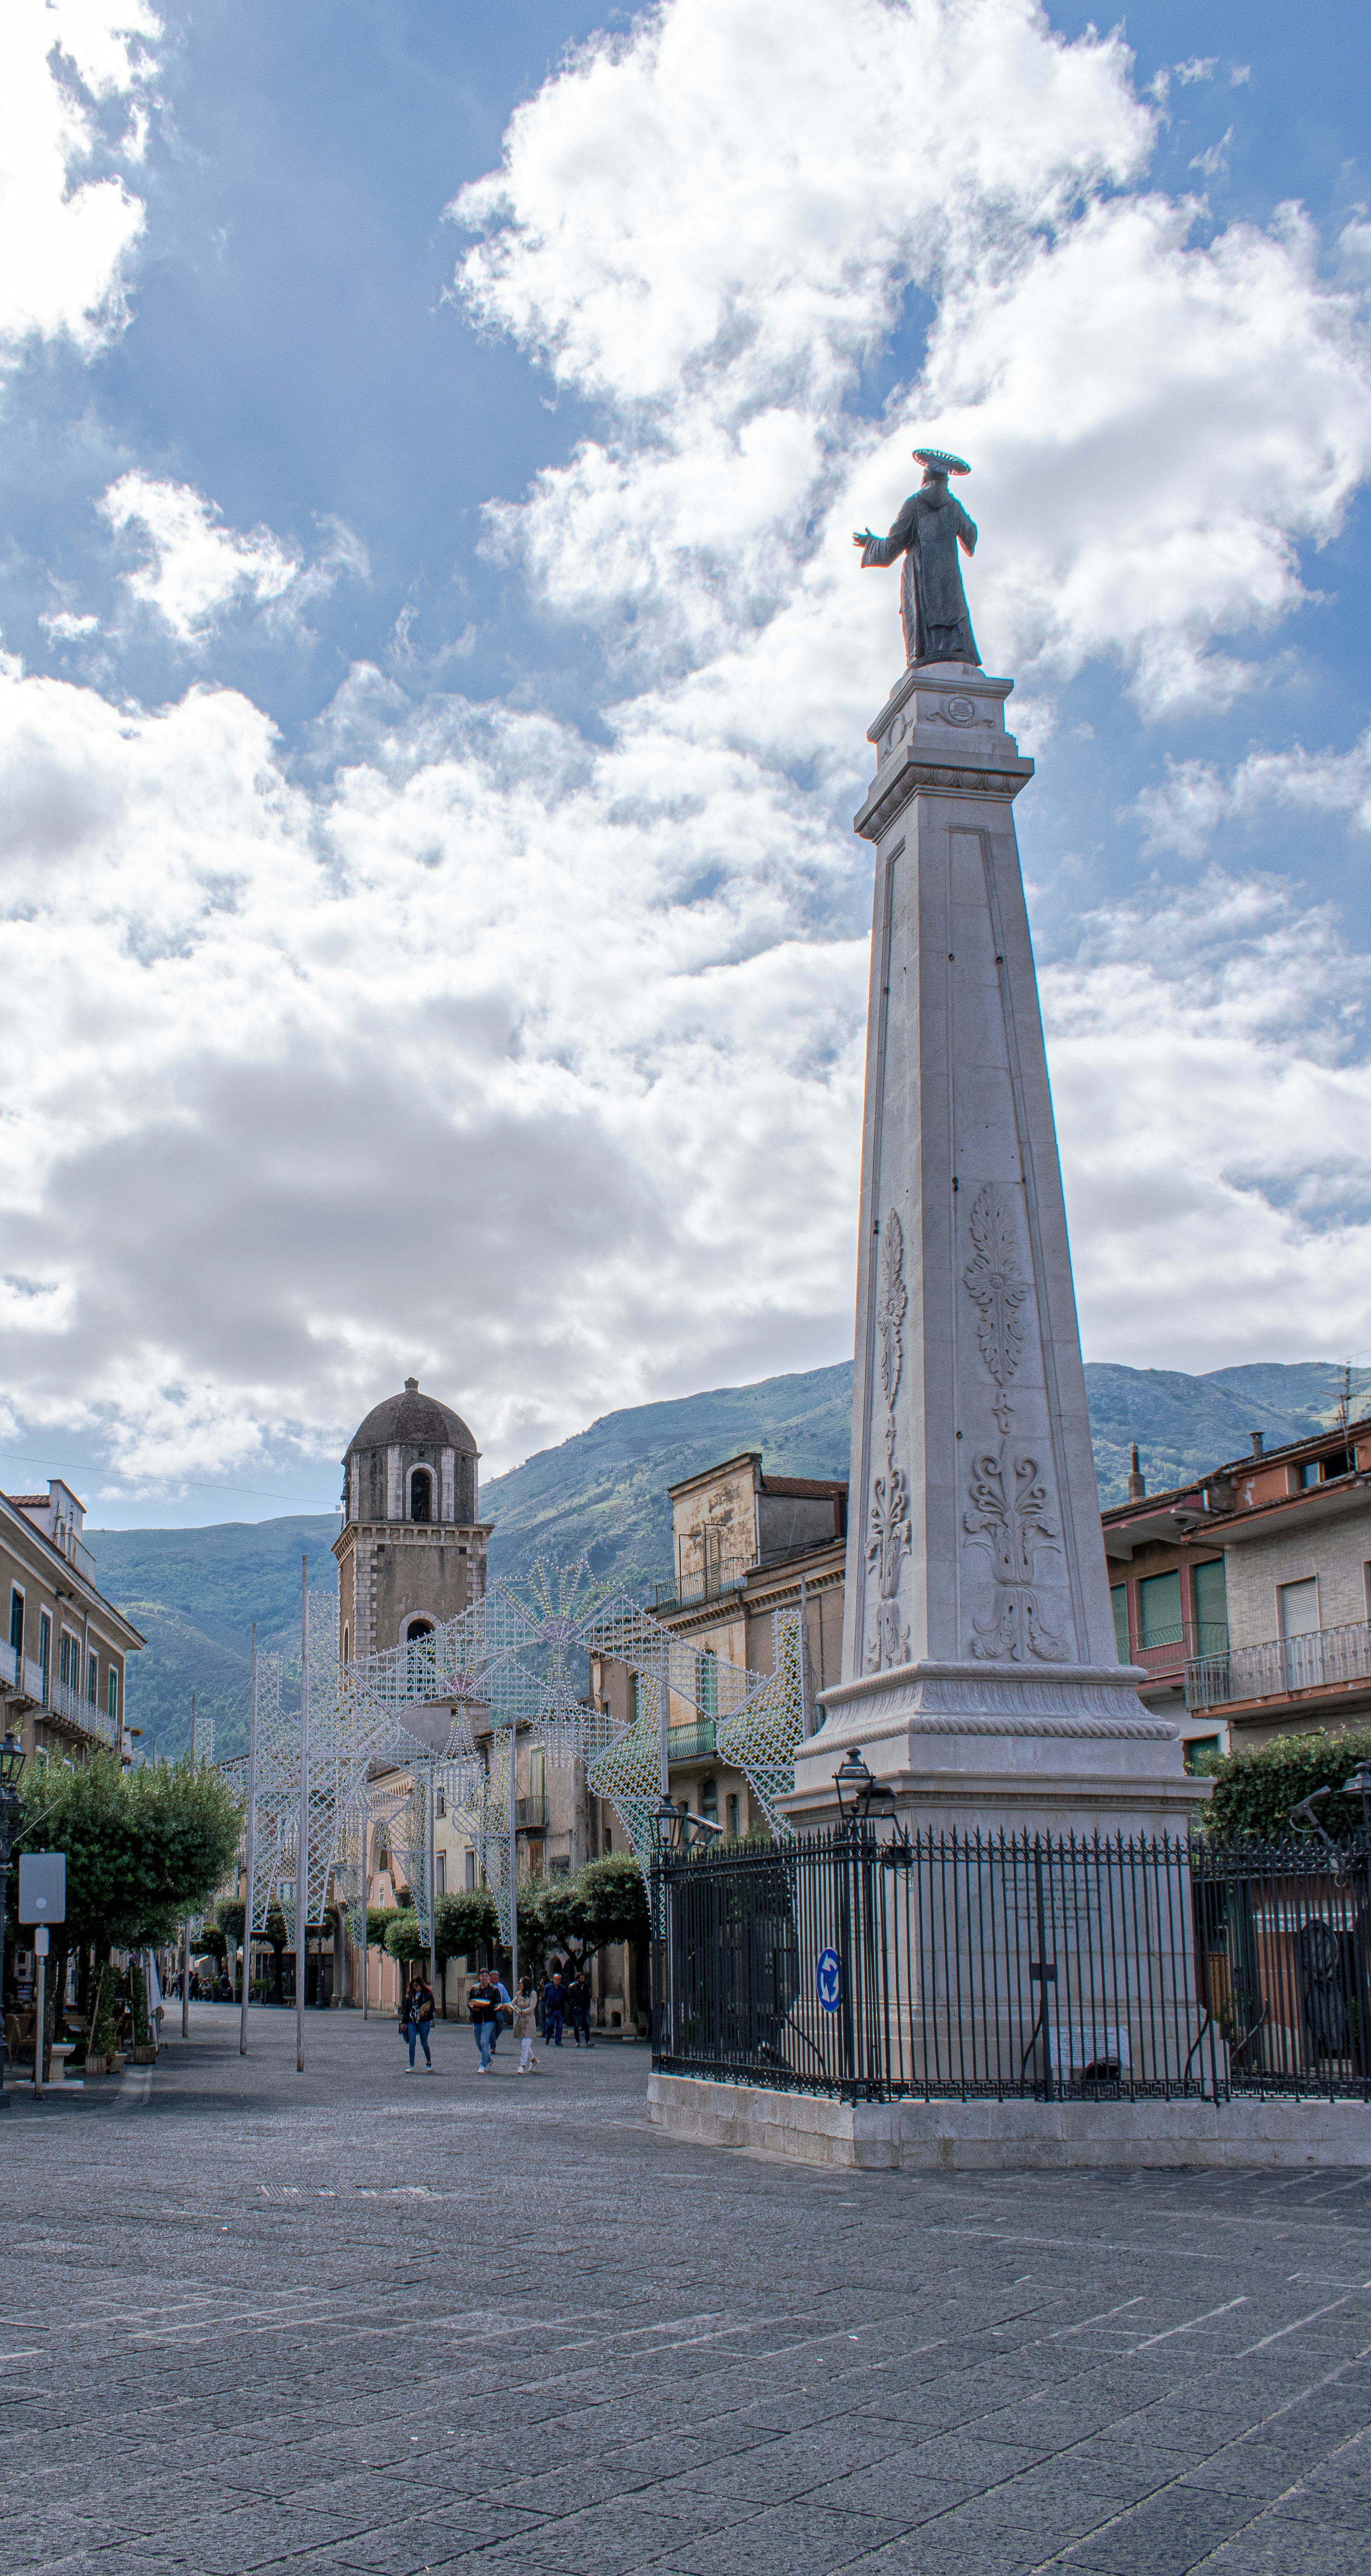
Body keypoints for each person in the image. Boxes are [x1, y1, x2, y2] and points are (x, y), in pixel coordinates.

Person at [467, 1968, 508, 2073]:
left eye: (486, 1976)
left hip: (489, 2019)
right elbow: (470, 2002)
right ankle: (489, 2059)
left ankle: (483, 2064)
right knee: (478, 2043)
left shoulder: (494, 1990)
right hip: (477, 2019)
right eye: (483, 1976)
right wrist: (472, 2007)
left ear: (489, 1978)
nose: (484, 1978)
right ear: (480, 1977)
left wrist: (488, 2007)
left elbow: (498, 2005)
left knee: (484, 2041)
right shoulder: (474, 1988)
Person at [400, 1970, 436, 2070]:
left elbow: (433, 2008)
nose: (415, 1988)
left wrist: (425, 2013)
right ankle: (411, 2065)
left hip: (424, 2021)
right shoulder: (410, 1995)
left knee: (424, 2043)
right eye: (414, 1986)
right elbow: (406, 2009)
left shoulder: (427, 1994)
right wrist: (404, 2022)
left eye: (417, 1986)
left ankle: (429, 2061)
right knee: (412, 2042)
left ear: (421, 1985)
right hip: (412, 2021)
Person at [512, 1974, 539, 2074]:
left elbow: (532, 2007)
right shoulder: (519, 1994)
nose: (519, 1985)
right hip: (520, 2022)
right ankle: (533, 2060)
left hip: (529, 2021)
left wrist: (522, 2011)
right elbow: (512, 2004)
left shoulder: (533, 1994)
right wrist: (513, 2008)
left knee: (524, 2045)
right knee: (525, 2045)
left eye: (520, 1984)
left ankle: (522, 2066)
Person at [568, 1970, 592, 2048]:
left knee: (586, 2024)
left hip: (585, 2007)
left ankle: (588, 2041)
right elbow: (569, 1998)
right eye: (581, 1979)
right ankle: (577, 2041)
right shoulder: (572, 1987)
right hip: (577, 2008)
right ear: (578, 1979)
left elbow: (589, 1996)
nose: (583, 1980)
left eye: (583, 1979)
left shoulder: (586, 1987)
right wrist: (574, 2006)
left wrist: (588, 2005)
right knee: (577, 2024)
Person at [543, 1968, 566, 2048]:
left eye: (559, 1980)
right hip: (551, 2010)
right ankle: (548, 2037)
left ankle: (558, 2041)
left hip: (559, 2009)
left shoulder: (563, 1989)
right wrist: (548, 2005)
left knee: (559, 2026)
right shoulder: (548, 1987)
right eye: (556, 1980)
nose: (557, 1981)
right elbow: (545, 1998)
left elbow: (565, 1998)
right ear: (553, 1979)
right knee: (550, 2025)